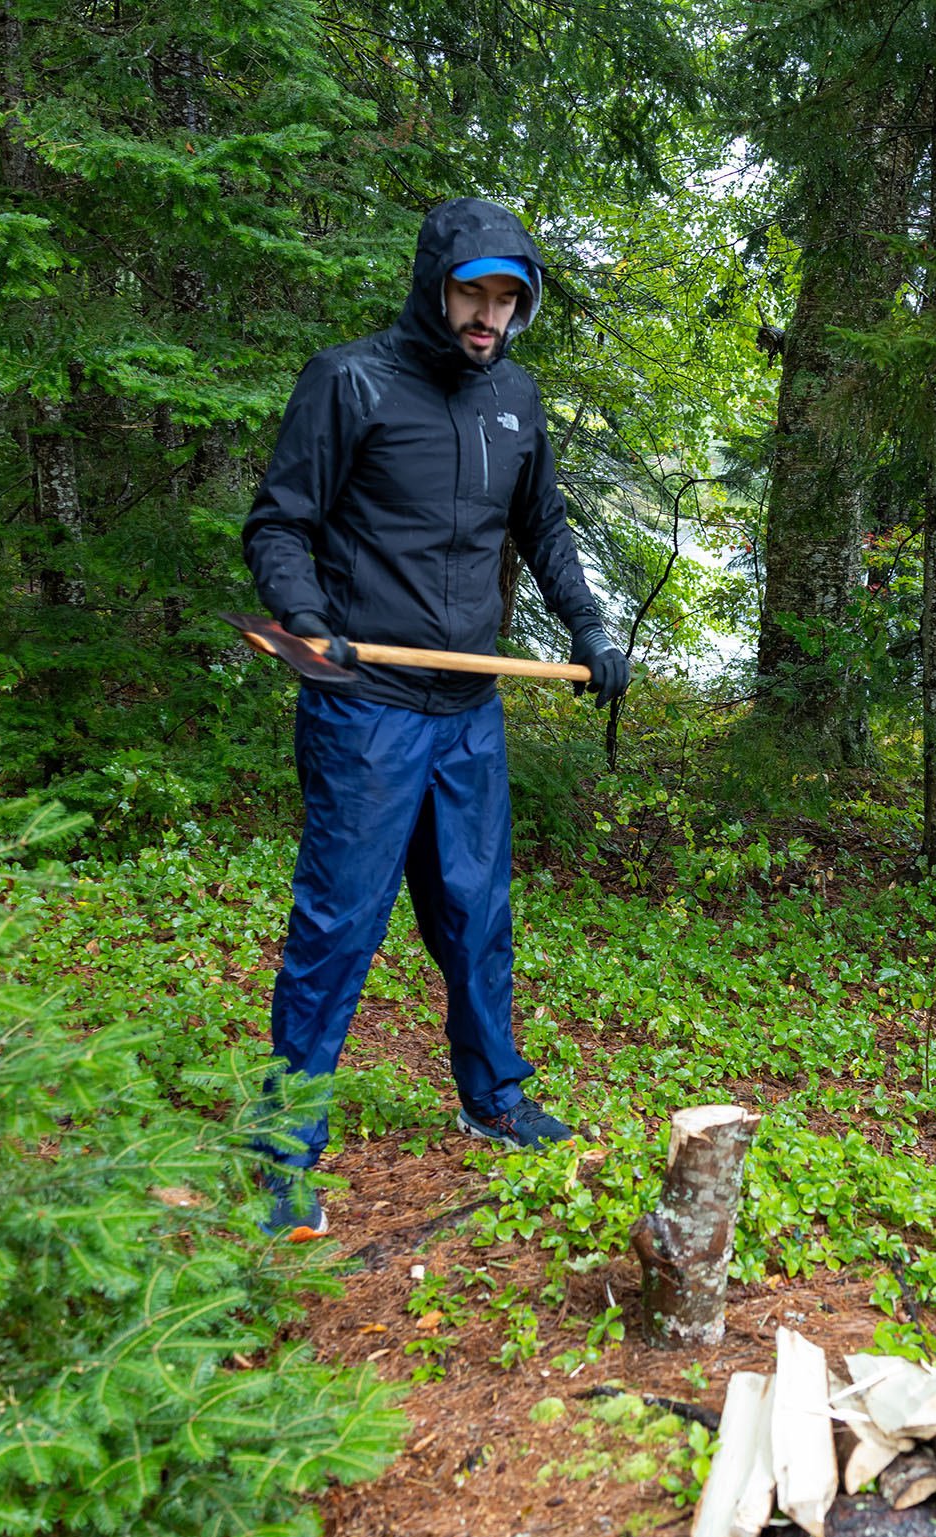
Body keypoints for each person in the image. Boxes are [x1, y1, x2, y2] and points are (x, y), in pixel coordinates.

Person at [241, 197, 628, 1237]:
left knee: (475, 913)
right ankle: (282, 1149)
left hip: (467, 711)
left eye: (507, 298)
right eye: (472, 293)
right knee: (337, 927)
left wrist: (589, 627)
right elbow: (277, 525)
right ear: (435, 286)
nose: (487, 315)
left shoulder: (516, 397)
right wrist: (307, 618)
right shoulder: (350, 380)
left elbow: (542, 526)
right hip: (365, 708)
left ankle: (491, 1094)